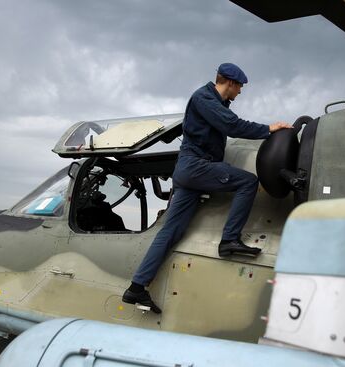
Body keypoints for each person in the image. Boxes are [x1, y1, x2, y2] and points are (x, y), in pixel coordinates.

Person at [122, 63, 291, 313]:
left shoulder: (213, 102)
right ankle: (229, 240)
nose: (241, 92)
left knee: (171, 232)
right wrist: (269, 129)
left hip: (190, 172)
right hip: (196, 167)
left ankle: (136, 289)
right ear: (230, 83)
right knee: (247, 181)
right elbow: (233, 126)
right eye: (240, 87)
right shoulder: (204, 98)